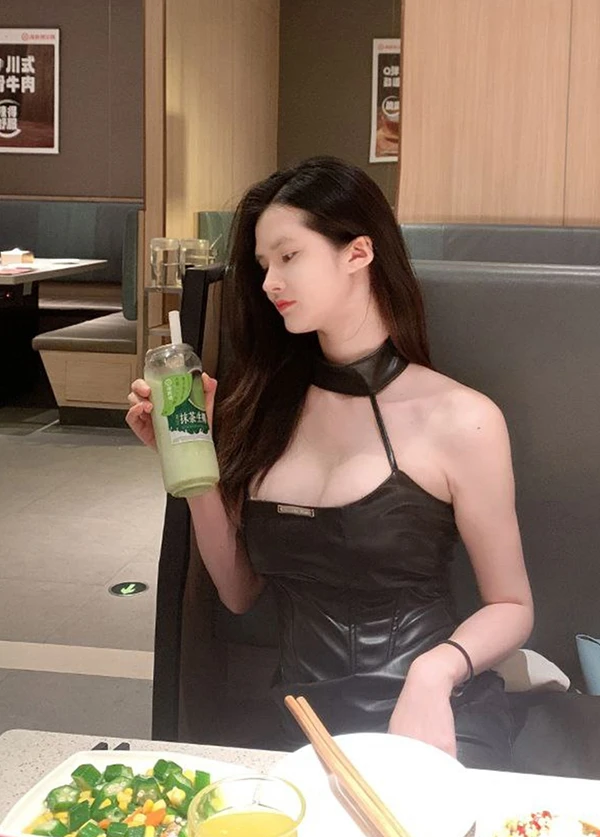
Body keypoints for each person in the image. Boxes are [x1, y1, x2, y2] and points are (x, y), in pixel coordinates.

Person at [127, 156, 533, 769]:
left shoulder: (463, 418)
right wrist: (194, 460)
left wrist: (433, 675)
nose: (270, 282)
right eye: (263, 264)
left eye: (289, 256)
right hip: (303, 723)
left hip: (436, 712)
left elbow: (512, 606)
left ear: (358, 253)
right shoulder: (259, 409)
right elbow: (238, 593)